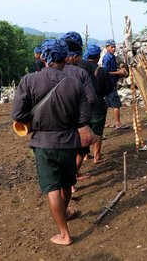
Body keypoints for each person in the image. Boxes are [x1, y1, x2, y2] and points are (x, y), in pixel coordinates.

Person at [11, 39, 90, 246]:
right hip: (69, 142)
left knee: (52, 188)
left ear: (44, 58)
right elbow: (84, 118)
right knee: (66, 184)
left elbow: (17, 114)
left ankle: (64, 234)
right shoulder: (75, 82)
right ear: (65, 58)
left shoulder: (29, 80)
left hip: (44, 143)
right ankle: (64, 215)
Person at [60, 31, 97, 186]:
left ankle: (68, 181)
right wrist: (84, 118)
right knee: (81, 149)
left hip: (57, 123)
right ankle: (71, 181)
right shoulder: (80, 72)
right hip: (77, 121)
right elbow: (92, 98)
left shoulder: (47, 72)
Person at [78, 44, 112, 164]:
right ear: (98, 57)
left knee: (86, 127)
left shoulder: (80, 69)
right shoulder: (102, 71)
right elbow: (109, 89)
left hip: (83, 104)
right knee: (98, 129)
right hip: (98, 103)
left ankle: (86, 155)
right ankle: (97, 156)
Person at [102, 39, 128, 129]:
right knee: (116, 104)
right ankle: (118, 123)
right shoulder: (107, 58)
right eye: (111, 47)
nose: (113, 49)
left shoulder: (112, 57)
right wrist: (118, 72)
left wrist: (119, 67)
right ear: (107, 48)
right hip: (109, 85)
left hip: (111, 84)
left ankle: (103, 123)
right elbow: (105, 72)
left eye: (114, 47)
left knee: (106, 105)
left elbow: (113, 69)